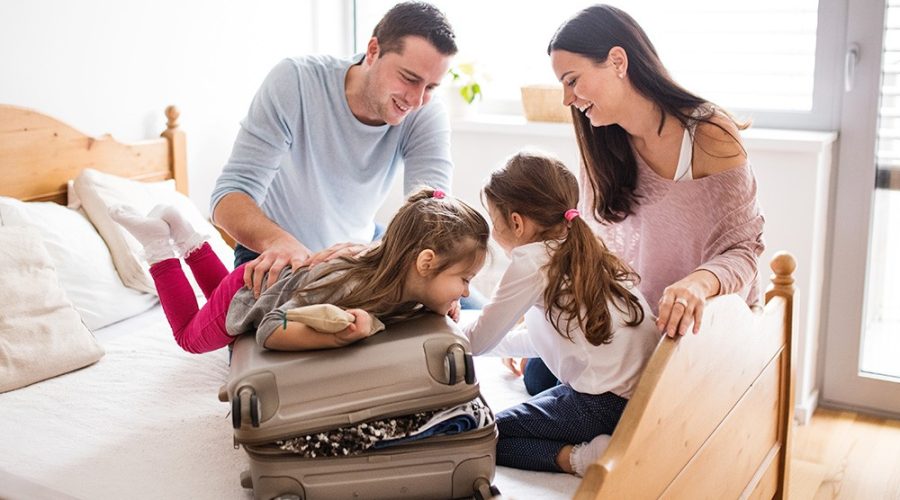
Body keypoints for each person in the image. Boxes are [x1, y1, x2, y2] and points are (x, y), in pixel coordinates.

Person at [513, 4, 766, 394]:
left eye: (573, 80)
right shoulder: (601, 142)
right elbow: (590, 246)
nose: (567, 98)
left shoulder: (709, 133)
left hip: (699, 318)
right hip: (633, 322)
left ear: (617, 61)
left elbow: (744, 249)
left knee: (557, 386)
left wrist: (697, 284)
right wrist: (539, 325)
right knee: (537, 376)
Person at [210, 2, 459, 300]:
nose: (417, 100)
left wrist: (377, 253)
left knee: (466, 317)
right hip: (275, 251)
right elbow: (228, 196)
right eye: (409, 78)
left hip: (366, 250)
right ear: (373, 50)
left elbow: (432, 213)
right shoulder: (296, 81)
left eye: (431, 87)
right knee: (276, 338)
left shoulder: (426, 112)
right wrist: (279, 241)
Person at [462, 152, 659, 476]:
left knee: (487, 437)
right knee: (537, 380)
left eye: (493, 221)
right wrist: (494, 342)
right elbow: (550, 341)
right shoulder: (585, 245)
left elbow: (478, 341)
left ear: (516, 222)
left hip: (604, 404)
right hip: (640, 397)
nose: (493, 233)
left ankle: (584, 458)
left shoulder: (531, 261)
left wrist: (439, 332)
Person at [109, 188, 489, 353]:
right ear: (424, 262)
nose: (467, 293)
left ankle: (184, 231)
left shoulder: (400, 281)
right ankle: (158, 245)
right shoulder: (352, 287)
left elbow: (425, 301)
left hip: (251, 286)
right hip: (254, 296)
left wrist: (444, 303)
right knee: (193, 338)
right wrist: (338, 338)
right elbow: (272, 329)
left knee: (222, 296)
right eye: (464, 280)